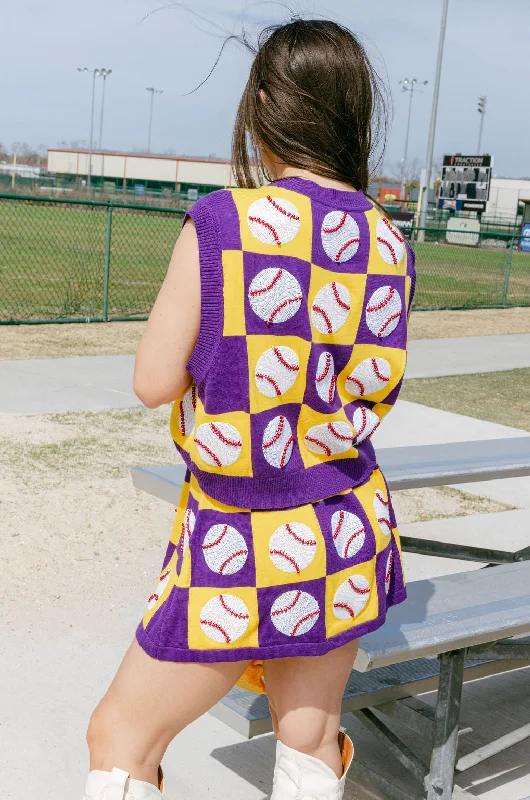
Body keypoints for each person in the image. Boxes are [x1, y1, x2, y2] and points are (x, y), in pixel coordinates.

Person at [83, 18, 416, 800]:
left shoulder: (224, 222)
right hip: (343, 530)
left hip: (245, 533)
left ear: (263, 104)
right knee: (306, 744)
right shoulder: (391, 243)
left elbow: (153, 380)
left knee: (120, 737)